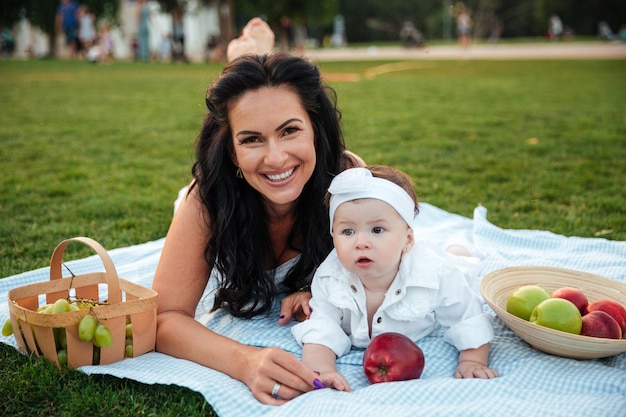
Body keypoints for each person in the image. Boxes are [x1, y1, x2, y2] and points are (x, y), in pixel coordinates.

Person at [151, 51, 365, 405]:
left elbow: (386, 271)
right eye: (251, 139)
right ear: (233, 152)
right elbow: (164, 318)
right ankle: (247, 48)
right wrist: (246, 361)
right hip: (231, 197)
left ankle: (252, 49)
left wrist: (323, 291)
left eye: (290, 130)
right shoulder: (207, 200)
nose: (276, 157)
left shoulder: (346, 182)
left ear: (314, 128)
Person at [292, 166, 499, 391]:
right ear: (333, 237)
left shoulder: (435, 273)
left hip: (442, 265)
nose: (360, 242)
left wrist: (472, 361)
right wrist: (322, 370)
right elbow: (322, 327)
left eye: (377, 230)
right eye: (348, 232)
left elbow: (467, 316)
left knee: (461, 265)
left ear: (408, 239)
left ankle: (458, 248)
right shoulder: (330, 277)